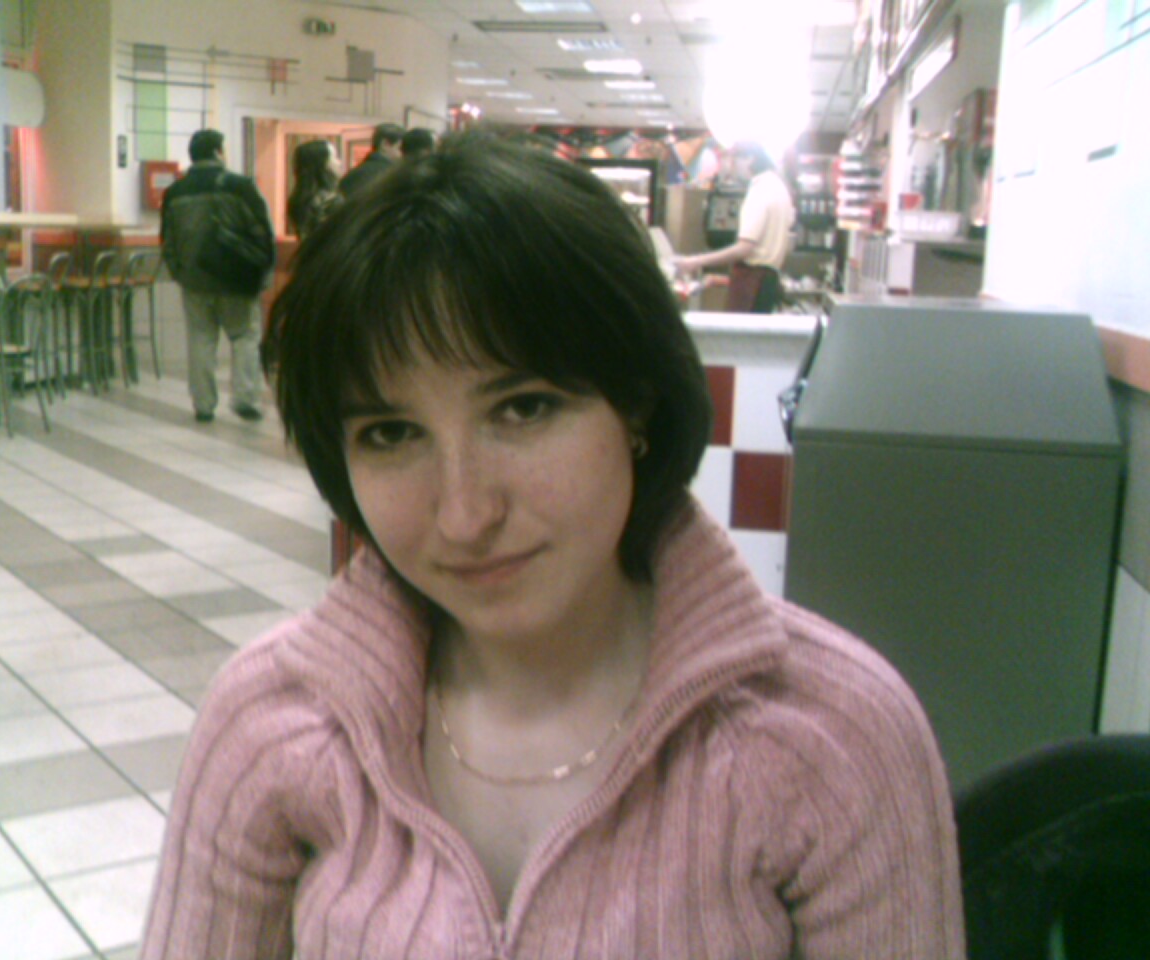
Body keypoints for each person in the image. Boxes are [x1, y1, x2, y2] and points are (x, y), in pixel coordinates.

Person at [141, 134, 964, 960]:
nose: (465, 515)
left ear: (636, 403)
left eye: (524, 408)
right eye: (391, 433)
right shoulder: (267, 726)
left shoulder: (834, 737)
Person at [160, 128, 274, 422]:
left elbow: (167, 241)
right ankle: (246, 399)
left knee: (200, 339)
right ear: (218, 152)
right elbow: (263, 232)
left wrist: (180, 273)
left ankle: (203, 404)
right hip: (237, 279)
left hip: (194, 281)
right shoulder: (240, 186)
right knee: (245, 337)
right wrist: (263, 273)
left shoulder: (175, 192)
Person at [675, 141, 795, 313]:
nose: (732, 169)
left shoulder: (760, 190)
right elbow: (764, 255)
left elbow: (745, 249)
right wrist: (718, 279)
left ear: (750, 159)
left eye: (733, 161)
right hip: (766, 283)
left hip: (752, 286)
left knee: (742, 331)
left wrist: (694, 262)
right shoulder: (778, 187)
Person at [286, 139, 343, 241]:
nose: (339, 162)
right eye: (335, 157)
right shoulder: (331, 201)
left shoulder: (298, 200)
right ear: (323, 163)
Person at [337, 121, 404, 196]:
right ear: (385, 144)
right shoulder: (392, 176)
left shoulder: (352, 174)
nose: (403, 154)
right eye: (400, 148)